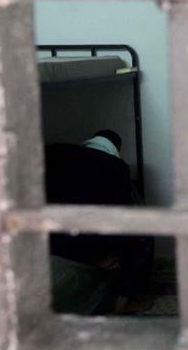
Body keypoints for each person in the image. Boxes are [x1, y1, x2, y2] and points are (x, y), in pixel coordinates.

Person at [45, 130, 154, 314]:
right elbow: (121, 218)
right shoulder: (115, 167)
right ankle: (124, 300)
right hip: (82, 243)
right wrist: (100, 255)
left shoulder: (54, 153)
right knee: (142, 236)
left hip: (47, 236)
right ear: (115, 149)